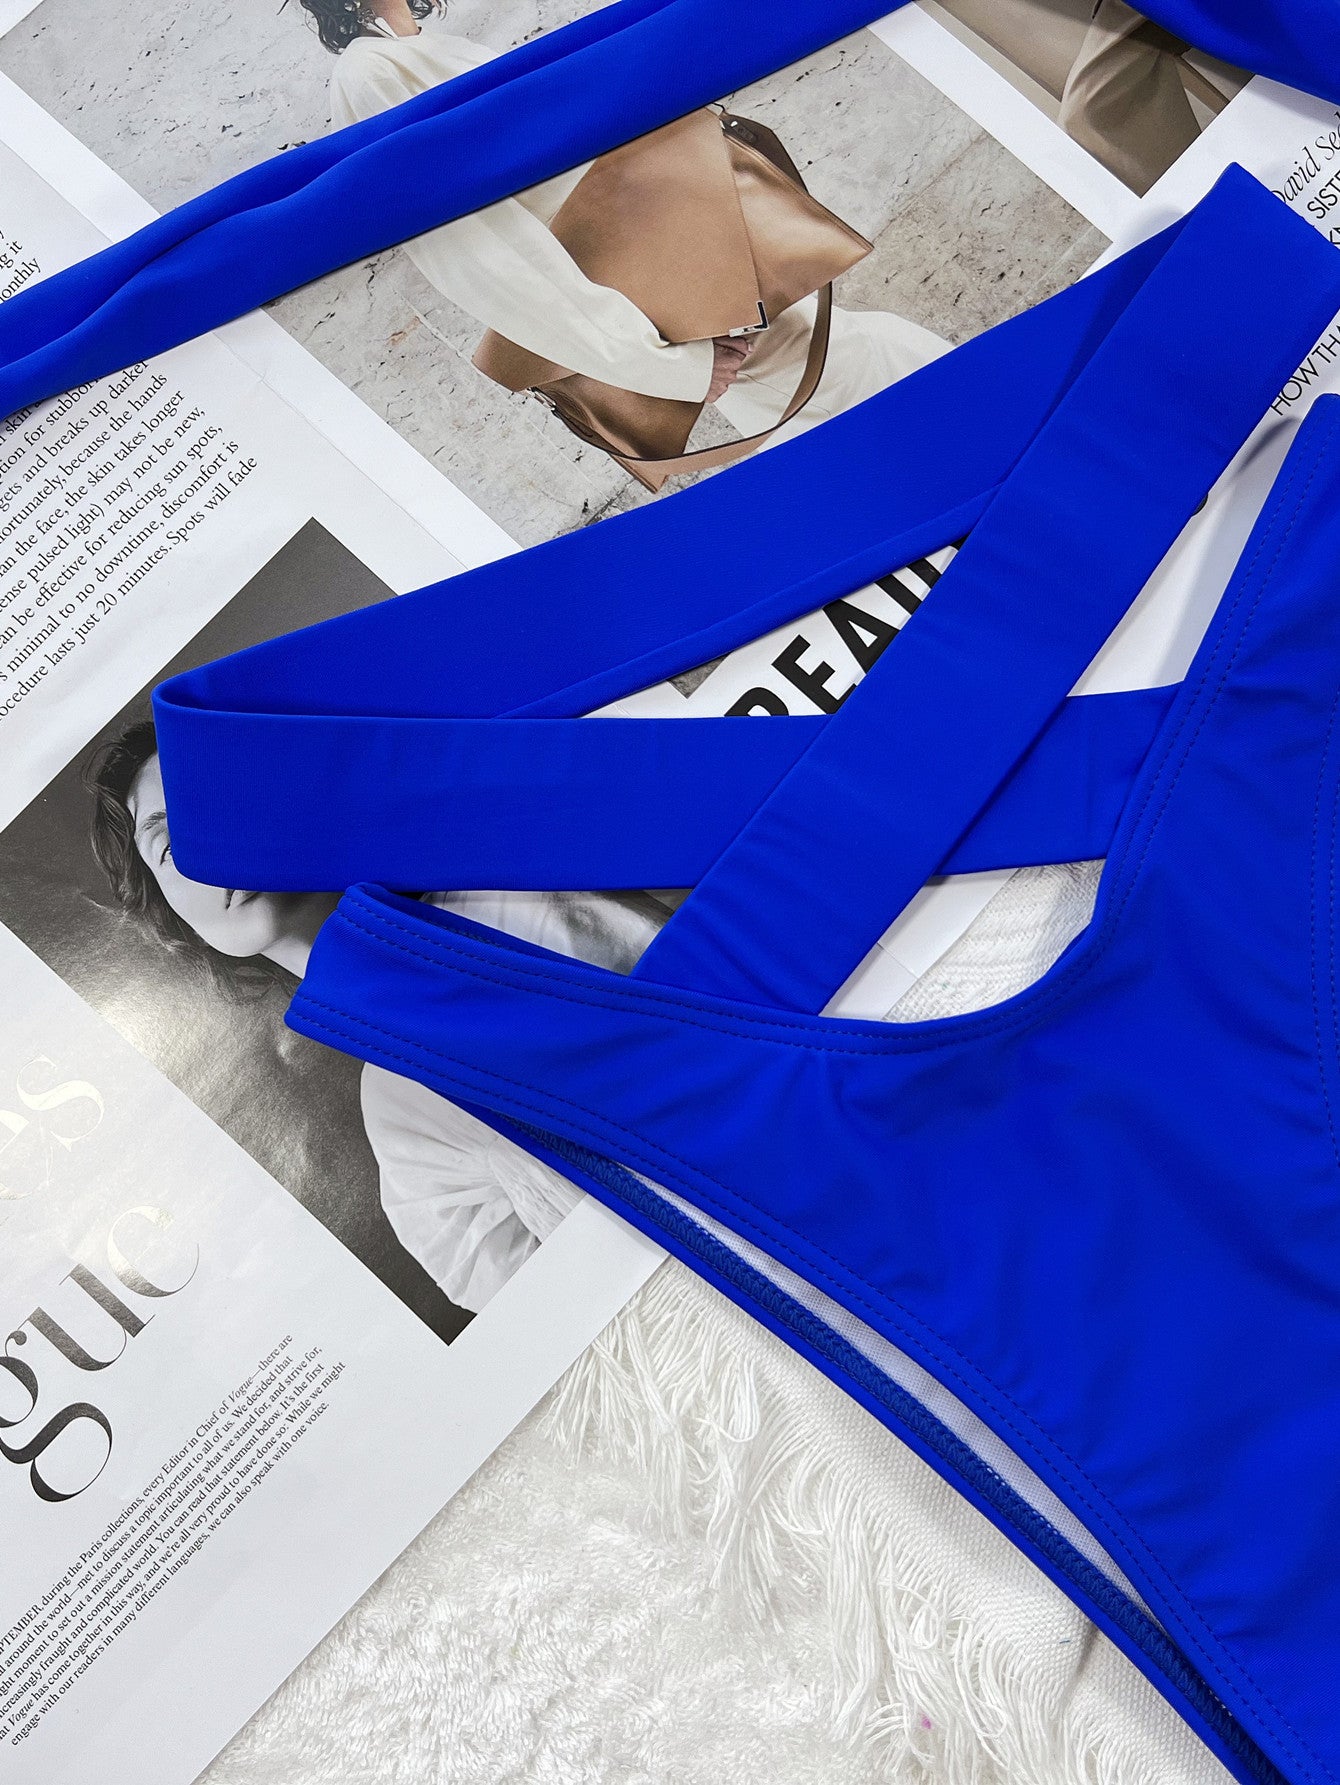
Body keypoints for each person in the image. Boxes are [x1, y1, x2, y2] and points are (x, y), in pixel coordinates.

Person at [85, 718, 667, 1310]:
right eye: (170, 846)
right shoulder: (400, 1122)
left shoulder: (517, 892)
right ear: (177, 918)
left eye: (221, 801)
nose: (210, 848)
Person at [301, 0, 948, 459]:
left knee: (832, 375)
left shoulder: (412, 51)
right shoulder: (369, 75)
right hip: (658, 294)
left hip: (689, 265)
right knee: (845, 376)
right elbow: (476, 251)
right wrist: (650, 358)